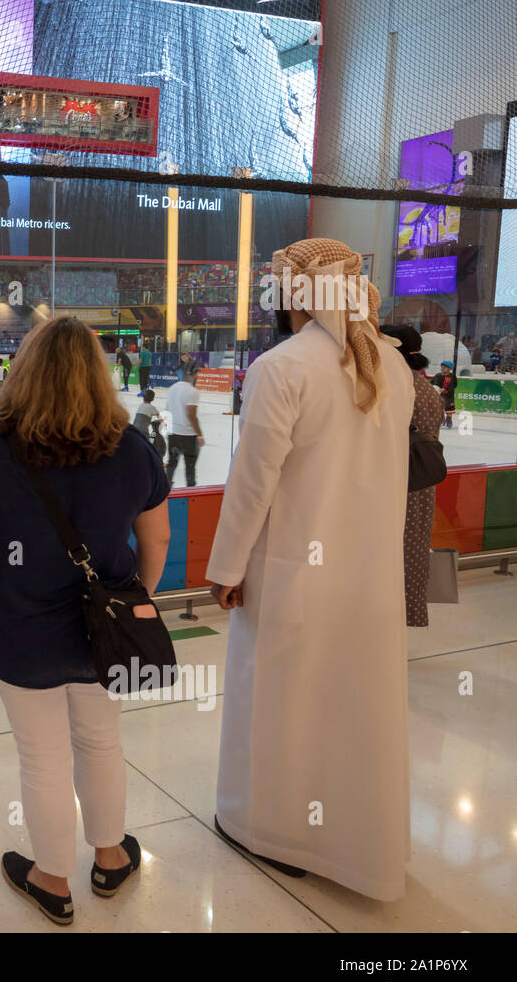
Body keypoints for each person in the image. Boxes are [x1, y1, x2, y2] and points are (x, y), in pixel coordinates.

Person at [0, 316, 171, 925]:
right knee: (100, 742)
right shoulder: (129, 444)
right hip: (102, 635)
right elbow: (157, 537)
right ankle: (111, 857)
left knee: (42, 757)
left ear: (23, 372)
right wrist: (133, 599)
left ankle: (51, 878)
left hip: (19, 633)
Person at [206, 238, 414, 901]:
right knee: (354, 707)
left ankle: (267, 829)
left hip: (292, 574)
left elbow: (252, 484)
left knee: (279, 705)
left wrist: (226, 566)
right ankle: (354, 844)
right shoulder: (396, 366)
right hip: (369, 576)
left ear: (291, 293)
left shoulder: (282, 367)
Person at [383, 325, 444, 627]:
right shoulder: (426, 389)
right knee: (413, 551)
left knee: (388, 554)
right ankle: (405, 616)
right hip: (421, 486)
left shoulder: (396, 386)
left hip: (394, 485)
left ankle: (383, 625)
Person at [164, 365, 202, 486]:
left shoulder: (172, 388)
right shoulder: (192, 391)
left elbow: (166, 412)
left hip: (174, 434)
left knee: (171, 465)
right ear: (191, 374)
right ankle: (191, 495)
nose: (197, 377)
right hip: (188, 436)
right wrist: (200, 435)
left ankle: (165, 490)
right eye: (196, 374)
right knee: (190, 468)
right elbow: (191, 415)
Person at [431, 360, 456, 428]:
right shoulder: (437, 375)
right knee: (439, 408)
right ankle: (442, 419)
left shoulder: (452, 376)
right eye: (441, 367)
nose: (442, 368)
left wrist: (445, 389)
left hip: (449, 396)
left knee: (449, 410)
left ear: (449, 369)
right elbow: (433, 383)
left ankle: (449, 419)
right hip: (439, 396)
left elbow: (453, 385)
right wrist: (434, 388)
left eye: (444, 367)